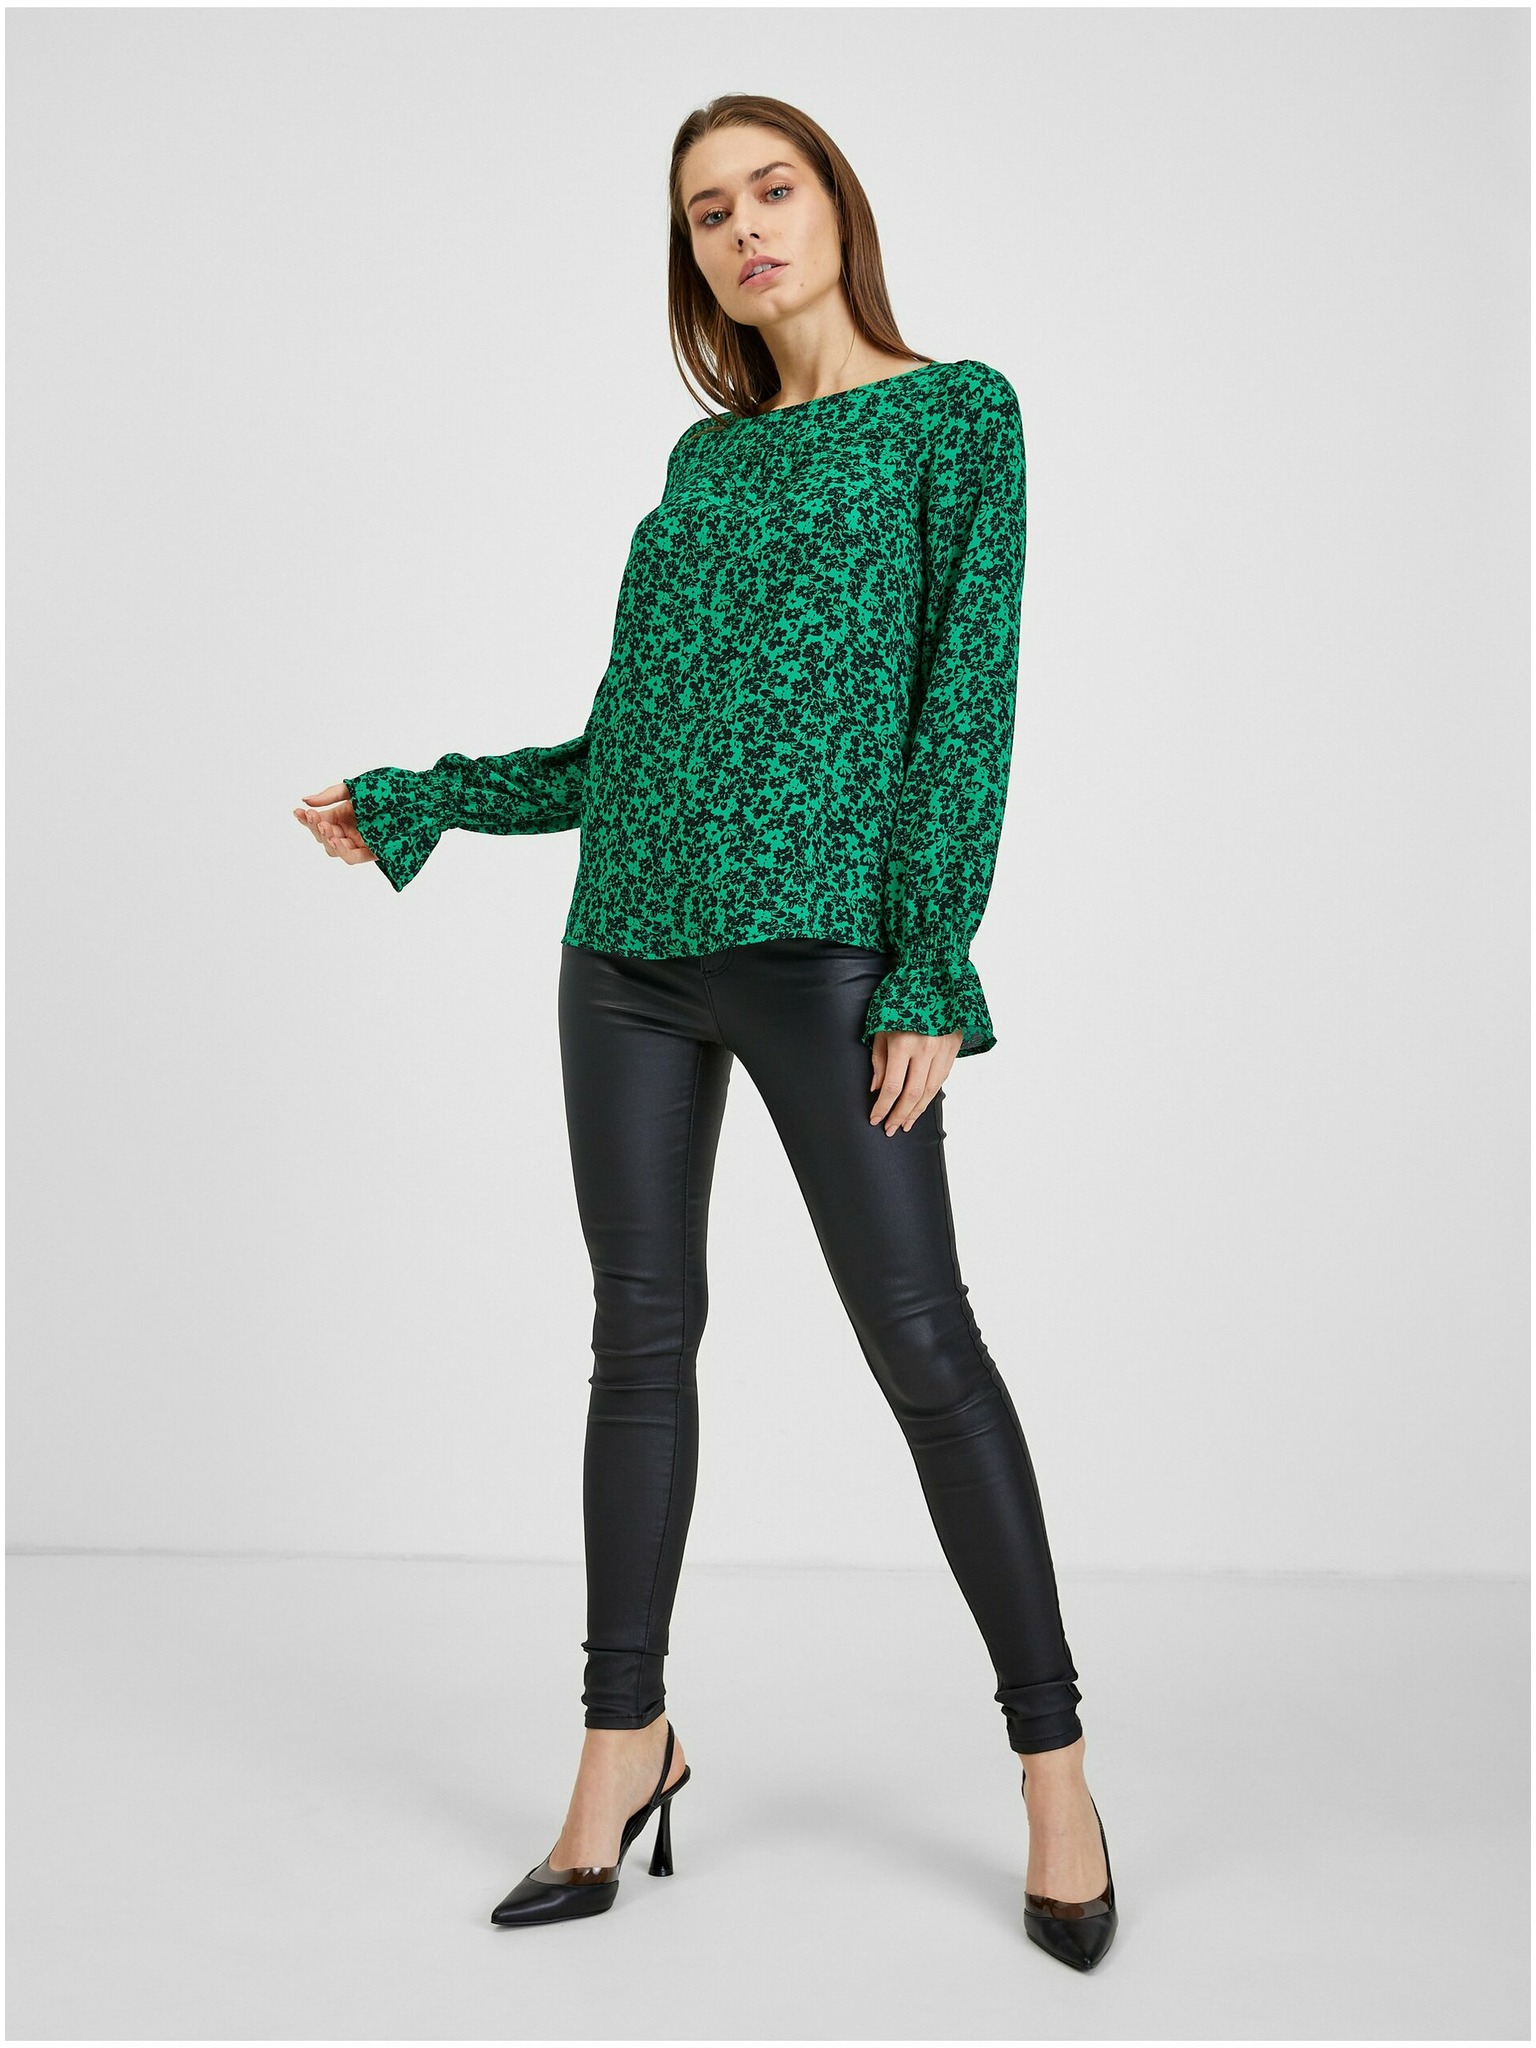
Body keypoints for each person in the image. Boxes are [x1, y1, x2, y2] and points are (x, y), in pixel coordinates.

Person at [294, 92, 1117, 1971]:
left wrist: (931, 964)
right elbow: (631, 749)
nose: (745, 229)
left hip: (827, 957)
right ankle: (622, 1750)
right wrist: (426, 798)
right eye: (707, 212)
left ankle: (1057, 1772)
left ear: (835, 204)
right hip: (628, 954)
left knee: (925, 1348)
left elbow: (964, 708)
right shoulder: (704, 463)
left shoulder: (956, 416)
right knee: (638, 1341)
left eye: (773, 189)